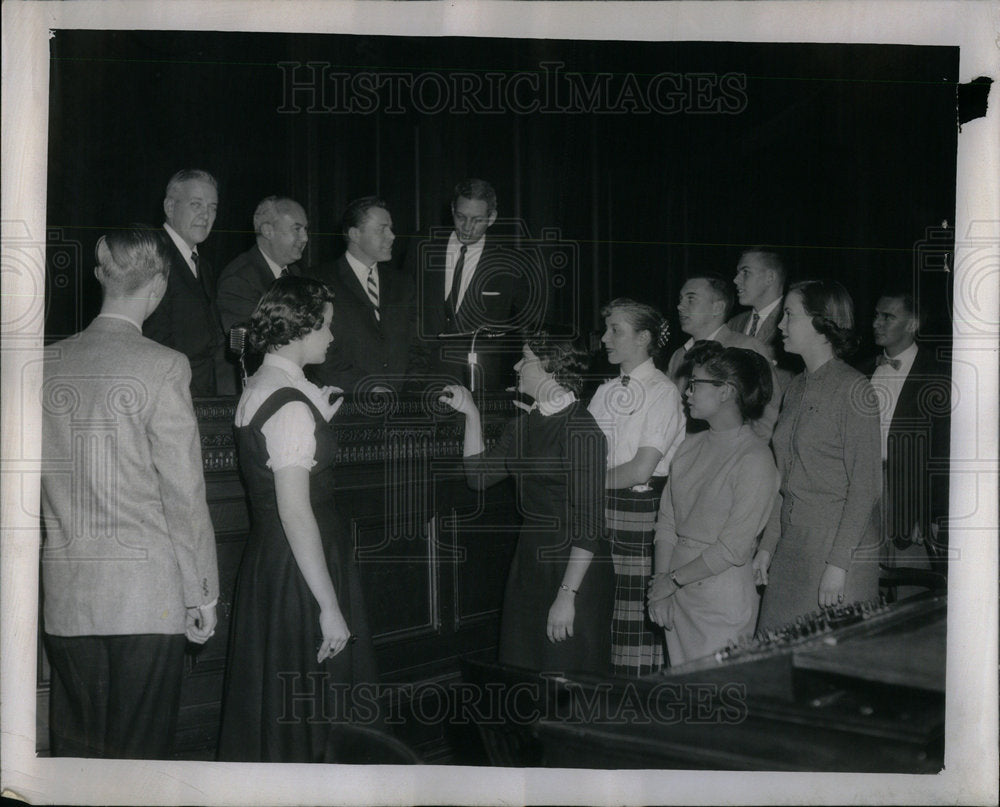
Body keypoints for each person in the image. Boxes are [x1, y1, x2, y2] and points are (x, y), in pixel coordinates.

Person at [40, 226, 219, 758]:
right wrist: (203, 593)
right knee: (139, 764)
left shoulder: (42, 366)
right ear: (159, 285)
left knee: (78, 762)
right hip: (146, 601)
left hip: (67, 599)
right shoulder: (164, 366)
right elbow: (184, 496)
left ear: (101, 278)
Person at [218, 276, 378, 762]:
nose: (331, 337)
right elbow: (294, 509)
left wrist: (315, 411)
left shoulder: (265, 384)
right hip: (303, 566)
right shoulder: (291, 406)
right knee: (316, 704)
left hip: (272, 563)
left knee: (278, 701)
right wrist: (329, 606)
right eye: (326, 327)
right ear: (300, 330)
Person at [439, 334, 612, 675]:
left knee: (566, 683)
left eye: (525, 358)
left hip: (573, 567)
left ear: (551, 365)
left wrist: (566, 596)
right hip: (529, 561)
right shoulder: (522, 425)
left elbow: (591, 526)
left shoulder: (583, 430)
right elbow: (478, 476)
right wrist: (471, 413)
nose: (516, 366)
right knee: (524, 676)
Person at [753, 280, 882, 630]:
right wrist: (768, 545)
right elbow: (785, 479)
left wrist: (839, 565)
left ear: (821, 323)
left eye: (790, 316)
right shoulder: (795, 387)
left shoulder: (855, 389)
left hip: (839, 551)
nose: (780, 325)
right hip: (793, 546)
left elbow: (866, 487)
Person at [646, 343, 780, 665]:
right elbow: (666, 523)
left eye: (695, 384)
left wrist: (670, 581)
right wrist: (662, 585)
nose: (687, 393)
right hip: (677, 594)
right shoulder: (689, 447)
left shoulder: (755, 458)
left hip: (722, 603)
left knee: (717, 704)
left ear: (725, 392)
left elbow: (732, 548)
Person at [587, 298, 685, 676]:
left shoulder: (663, 392)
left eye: (616, 331)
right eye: (607, 330)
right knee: (602, 619)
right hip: (600, 513)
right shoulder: (605, 391)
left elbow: (641, 470)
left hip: (637, 517)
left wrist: (582, 484)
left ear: (643, 338)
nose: (605, 340)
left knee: (633, 626)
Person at [414, 178, 545, 391]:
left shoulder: (511, 264)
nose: (467, 227)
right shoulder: (421, 245)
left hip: (479, 383)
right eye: (460, 217)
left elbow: (529, 328)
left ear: (492, 218)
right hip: (419, 379)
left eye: (477, 220)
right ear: (452, 210)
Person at [860, 288, 951, 587]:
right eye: (876, 315)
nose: (877, 323)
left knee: (909, 590)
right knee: (864, 584)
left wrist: (932, 513)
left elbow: (943, 451)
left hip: (910, 506)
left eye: (888, 317)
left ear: (912, 324)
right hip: (864, 491)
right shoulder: (861, 371)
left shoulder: (939, 374)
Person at [308, 196, 425, 393]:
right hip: (347, 404)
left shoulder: (403, 284)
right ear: (355, 234)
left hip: (400, 405)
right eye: (382, 229)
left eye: (391, 228)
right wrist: (368, 388)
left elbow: (417, 345)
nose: (392, 236)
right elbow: (317, 352)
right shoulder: (319, 280)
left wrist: (411, 389)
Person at [143, 168, 229, 396]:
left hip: (202, 399)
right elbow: (154, 346)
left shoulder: (203, 265)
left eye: (213, 207)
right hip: (171, 399)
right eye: (196, 205)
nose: (206, 215)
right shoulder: (153, 256)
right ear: (170, 207)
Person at [666, 273, 780, 440]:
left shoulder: (746, 347)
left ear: (717, 308)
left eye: (691, 300)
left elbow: (769, 414)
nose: (680, 306)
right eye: (680, 299)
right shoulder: (679, 355)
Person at [217, 196, 308, 334]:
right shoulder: (238, 280)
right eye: (297, 229)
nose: (305, 238)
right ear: (267, 231)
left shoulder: (295, 273)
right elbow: (249, 343)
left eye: (306, 229)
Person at [728, 247, 798, 389]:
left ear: (770, 278)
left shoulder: (794, 323)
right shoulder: (733, 324)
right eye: (737, 273)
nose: (736, 280)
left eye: (745, 272)